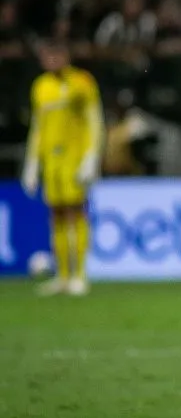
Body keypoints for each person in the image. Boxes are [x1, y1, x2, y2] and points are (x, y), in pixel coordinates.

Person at [21, 38, 104, 295]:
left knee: (75, 212)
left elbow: (94, 120)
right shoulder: (40, 86)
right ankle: (63, 276)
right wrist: (32, 163)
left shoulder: (82, 82)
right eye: (47, 55)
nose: (51, 60)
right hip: (51, 161)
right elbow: (37, 127)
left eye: (56, 54)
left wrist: (91, 158)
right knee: (55, 214)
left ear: (66, 55)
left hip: (74, 158)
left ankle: (80, 275)